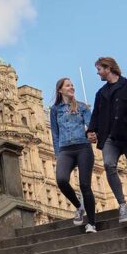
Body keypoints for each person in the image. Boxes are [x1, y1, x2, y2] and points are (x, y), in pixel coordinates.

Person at [86, 56, 127, 224]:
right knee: (109, 165)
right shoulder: (100, 93)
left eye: (99, 69)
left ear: (108, 68)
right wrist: (92, 130)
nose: (98, 73)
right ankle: (123, 205)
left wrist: (124, 125)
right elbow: (96, 115)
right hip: (109, 137)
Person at [50, 77, 97, 233]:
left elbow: (91, 126)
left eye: (72, 85)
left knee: (85, 185)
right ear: (60, 90)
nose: (72, 87)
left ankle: (92, 223)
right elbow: (55, 133)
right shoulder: (55, 110)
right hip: (65, 150)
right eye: (68, 85)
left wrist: (92, 133)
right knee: (61, 180)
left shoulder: (82, 107)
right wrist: (58, 154)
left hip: (83, 147)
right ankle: (79, 206)